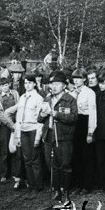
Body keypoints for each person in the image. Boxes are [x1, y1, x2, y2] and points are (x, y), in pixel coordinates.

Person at [39, 71, 78, 203]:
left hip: (63, 136)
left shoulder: (69, 99)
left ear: (64, 85)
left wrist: (55, 113)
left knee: (65, 165)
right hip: (49, 135)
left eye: (57, 84)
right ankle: (56, 190)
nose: (53, 87)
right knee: (52, 165)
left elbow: (73, 118)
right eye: (52, 84)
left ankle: (65, 191)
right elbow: (39, 118)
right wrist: (43, 115)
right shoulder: (48, 98)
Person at [5, 74, 44, 196]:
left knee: (35, 158)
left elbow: (40, 120)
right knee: (26, 158)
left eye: (29, 83)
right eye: (25, 83)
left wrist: (38, 137)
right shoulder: (22, 97)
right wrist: (17, 132)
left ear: (34, 84)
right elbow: (18, 117)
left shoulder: (38, 98)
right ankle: (31, 184)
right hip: (23, 131)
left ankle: (38, 185)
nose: (27, 85)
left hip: (33, 130)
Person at [70, 69, 97, 195]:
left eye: (79, 78)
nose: (76, 80)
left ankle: (87, 185)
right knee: (77, 156)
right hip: (75, 124)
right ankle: (79, 184)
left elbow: (92, 113)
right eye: (74, 78)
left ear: (84, 79)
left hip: (85, 123)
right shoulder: (72, 92)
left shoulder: (89, 92)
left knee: (87, 156)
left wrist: (90, 132)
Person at [0, 77, 22, 186]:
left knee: (15, 148)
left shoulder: (15, 93)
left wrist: (16, 124)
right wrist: (11, 125)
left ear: (9, 85)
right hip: (5, 126)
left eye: (6, 85)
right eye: (2, 85)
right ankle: (3, 174)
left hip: (16, 123)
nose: (4, 87)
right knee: (4, 149)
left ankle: (15, 173)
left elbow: (19, 107)